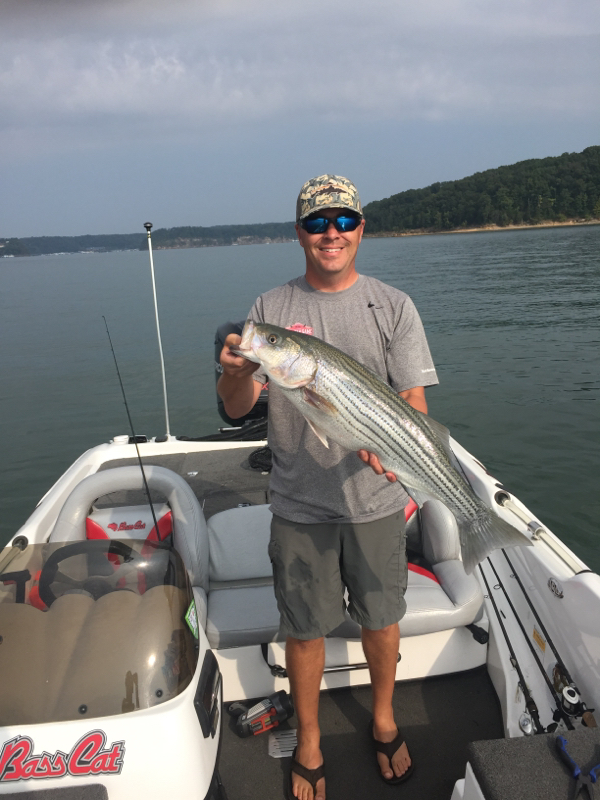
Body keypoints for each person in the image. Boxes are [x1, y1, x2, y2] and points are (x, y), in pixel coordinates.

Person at [218, 175, 438, 800]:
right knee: (305, 629)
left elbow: (412, 401)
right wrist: (233, 372)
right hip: (299, 502)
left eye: (343, 221)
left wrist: (392, 445)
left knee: (381, 618)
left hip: (375, 500)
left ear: (361, 228)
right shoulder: (268, 307)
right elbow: (239, 406)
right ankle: (310, 738)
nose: (331, 234)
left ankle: (385, 717)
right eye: (317, 223)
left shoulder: (393, 305)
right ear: (299, 234)